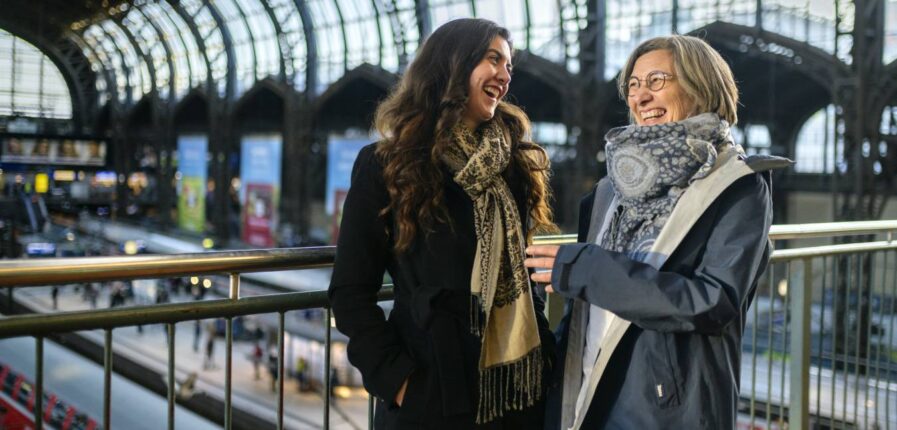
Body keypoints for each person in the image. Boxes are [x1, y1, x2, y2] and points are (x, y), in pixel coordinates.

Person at [525, 35, 791, 429]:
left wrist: (589, 270)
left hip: (666, 409)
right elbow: (587, 307)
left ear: (700, 86)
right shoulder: (609, 190)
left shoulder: (737, 185)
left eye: (657, 81)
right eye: (633, 85)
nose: (641, 96)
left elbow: (711, 301)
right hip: (587, 392)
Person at [328, 18, 558, 429]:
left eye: (509, 66)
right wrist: (398, 380)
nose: (505, 76)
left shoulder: (515, 166)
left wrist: (546, 358)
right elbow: (350, 291)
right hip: (432, 388)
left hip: (519, 388)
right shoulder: (388, 164)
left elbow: (522, 274)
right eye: (494, 60)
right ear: (452, 63)